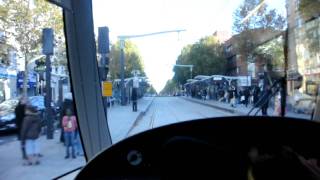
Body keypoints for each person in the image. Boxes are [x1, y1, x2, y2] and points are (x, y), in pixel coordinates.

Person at [15, 96, 28, 160]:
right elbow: (20, 118)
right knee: (23, 142)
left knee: (27, 141)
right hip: (21, 127)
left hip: (24, 127)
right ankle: (24, 154)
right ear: (21, 100)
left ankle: (27, 153)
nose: (26, 100)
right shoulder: (19, 108)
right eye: (25, 99)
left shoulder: (25, 107)